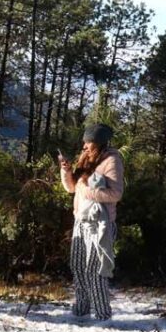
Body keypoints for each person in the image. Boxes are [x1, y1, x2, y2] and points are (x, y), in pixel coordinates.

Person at [59, 124, 124, 320]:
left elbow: (115, 194)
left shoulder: (112, 160)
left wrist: (85, 189)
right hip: (81, 220)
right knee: (78, 267)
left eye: (89, 142)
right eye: (85, 142)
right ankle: (81, 311)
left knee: (95, 271)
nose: (85, 146)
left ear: (99, 144)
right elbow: (71, 188)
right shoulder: (86, 158)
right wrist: (66, 172)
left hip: (99, 224)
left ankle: (103, 316)